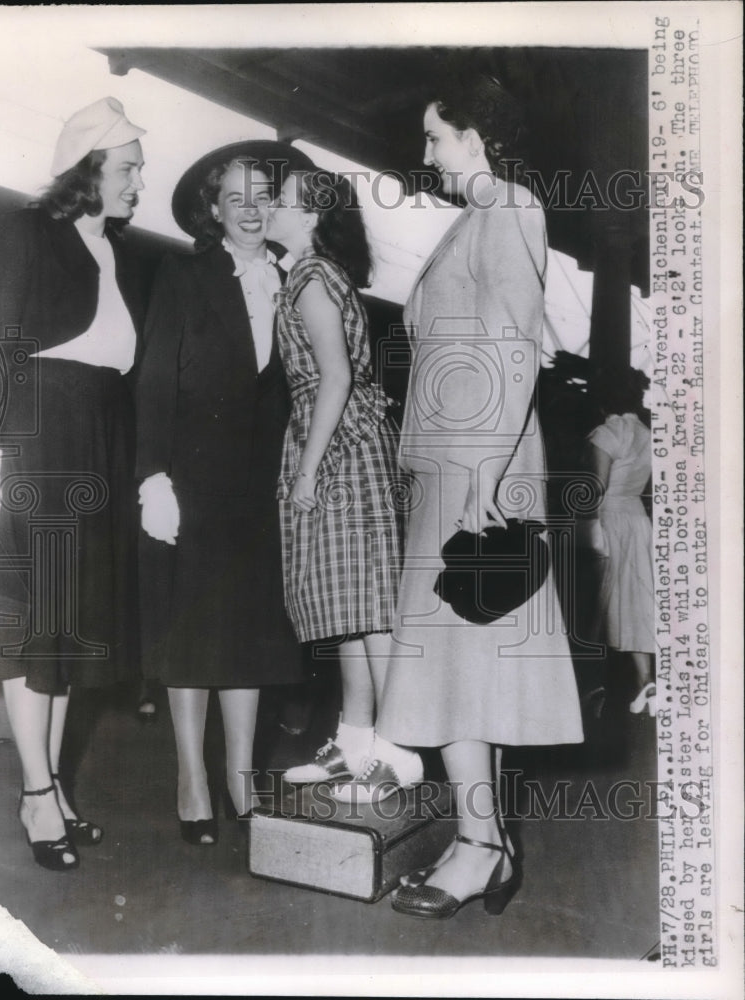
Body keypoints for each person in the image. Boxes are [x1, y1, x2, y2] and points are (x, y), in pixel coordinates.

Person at [359, 76, 585, 918]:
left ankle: (481, 845)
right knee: (455, 661)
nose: (425, 154)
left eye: (435, 137)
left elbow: (518, 343)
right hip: (452, 463)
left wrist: (488, 465)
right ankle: (481, 840)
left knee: (468, 656)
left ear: (477, 137)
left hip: (478, 463)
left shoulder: (512, 206)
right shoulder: (472, 220)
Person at [0, 97, 147, 871]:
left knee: (73, 621)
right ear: (88, 170)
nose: (138, 183)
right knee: (40, 619)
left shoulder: (111, 248)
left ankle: (51, 789)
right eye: (128, 169)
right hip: (45, 433)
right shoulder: (22, 231)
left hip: (101, 430)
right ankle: (36, 790)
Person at [135, 143, 309, 844]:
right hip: (195, 474)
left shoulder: (294, 279)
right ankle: (191, 780)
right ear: (212, 210)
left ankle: (241, 779)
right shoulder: (184, 273)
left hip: (262, 478)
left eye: (261, 194)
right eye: (234, 198)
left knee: (253, 630)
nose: (249, 209)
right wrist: (153, 478)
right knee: (192, 630)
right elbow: (152, 379)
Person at [267, 171, 421, 790]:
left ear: (309, 217)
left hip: (338, 446)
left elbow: (334, 377)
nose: (268, 208)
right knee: (350, 607)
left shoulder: (309, 277)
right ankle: (356, 740)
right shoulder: (317, 274)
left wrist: (308, 471)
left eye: (280, 201)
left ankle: (398, 751)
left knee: (371, 609)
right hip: (344, 438)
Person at [582, 369, 655, 715]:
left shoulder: (606, 433)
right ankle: (647, 685)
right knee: (636, 602)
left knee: (596, 604)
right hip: (637, 521)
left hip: (608, 520)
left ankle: (593, 688)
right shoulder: (645, 433)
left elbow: (596, 486)